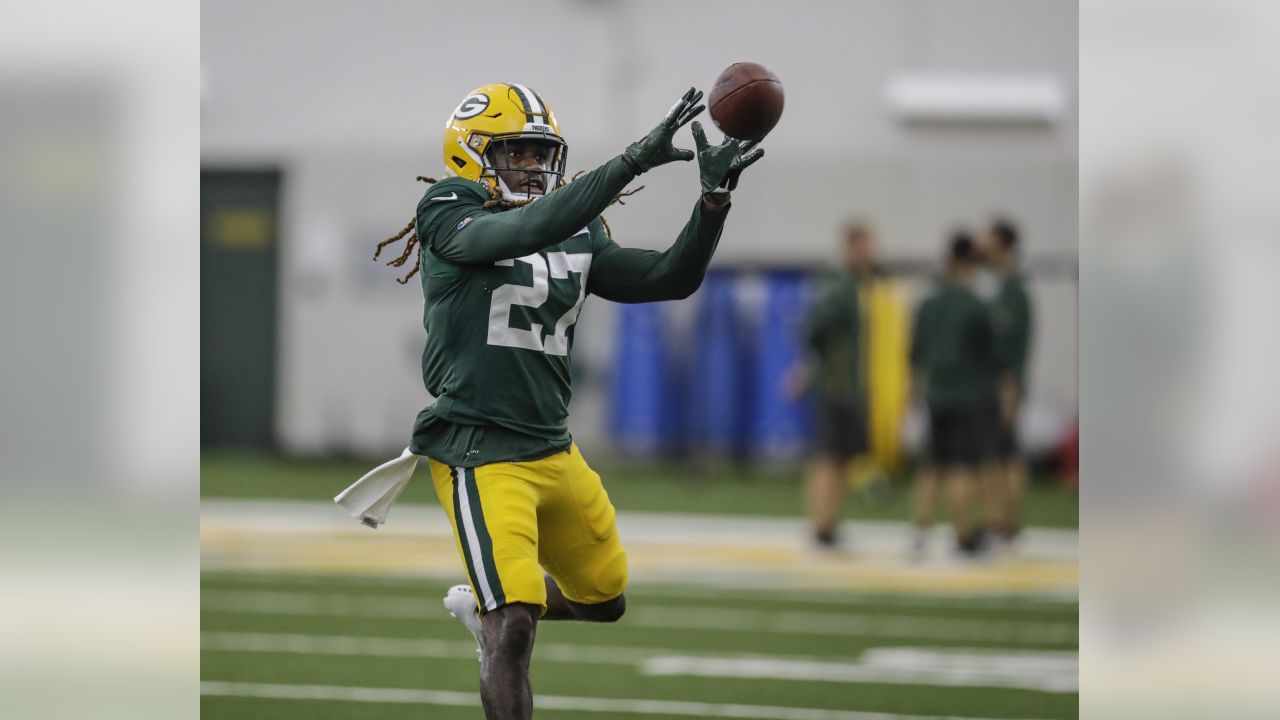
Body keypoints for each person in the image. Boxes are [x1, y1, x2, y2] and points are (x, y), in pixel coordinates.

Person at [371, 83, 762, 720]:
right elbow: (522, 229)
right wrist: (631, 161)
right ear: (470, 153)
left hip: (553, 447)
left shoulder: (575, 225)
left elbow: (669, 277)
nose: (531, 166)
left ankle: (488, 601)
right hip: (478, 450)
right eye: (516, 152)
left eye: (538, 153)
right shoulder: (447, 204)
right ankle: (500, 609)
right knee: (516, 627)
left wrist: (713, 202)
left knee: (605, 598)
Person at [909, 231, 1003, 556]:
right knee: (964, 466)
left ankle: (920, 529)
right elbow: (992, 356)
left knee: (932, 464)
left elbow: (915, 352)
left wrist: (916, 389)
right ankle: (961, 533)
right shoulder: (977, 305)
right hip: (970, 395)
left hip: (936, 394)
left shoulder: (928, 303)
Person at [787, 222, 878, 549]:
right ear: (852, 247)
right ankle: (821, 525)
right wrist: (810, 369)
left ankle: (830, 523)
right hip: (835, 386)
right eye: (867, 245)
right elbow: (815, 329)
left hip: (846, 386)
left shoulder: (853, 286)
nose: (873, 252)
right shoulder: (839, 286)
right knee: (827, 456)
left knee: (841, 457)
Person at [983, 217, 1034, 542]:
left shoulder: (1013, 290)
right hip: (995, 384)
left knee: (1006, 454)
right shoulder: (1000, 285)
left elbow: (1014, 346)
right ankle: (999, 518)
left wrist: (1009, 387)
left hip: (1004, 387)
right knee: (998, 454)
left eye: (988, 237)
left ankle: (1006, 520)